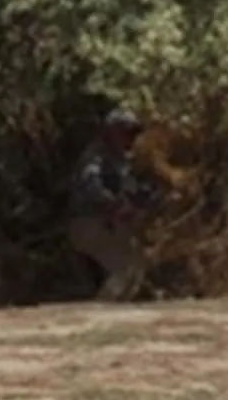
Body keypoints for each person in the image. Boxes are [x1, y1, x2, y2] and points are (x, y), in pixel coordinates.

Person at [66, 107, 163, 300]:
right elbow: (90, 184)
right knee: (124, 266)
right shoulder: (96, 156)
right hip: (88, 224)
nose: (130, 138)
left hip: (106, 225)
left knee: (137, 265)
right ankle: (100, 311)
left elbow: (134, 191)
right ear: (110, 132)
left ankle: (114, 312)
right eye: (125, 132)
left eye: (133, 132)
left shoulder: (120, 160)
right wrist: (113, 204)